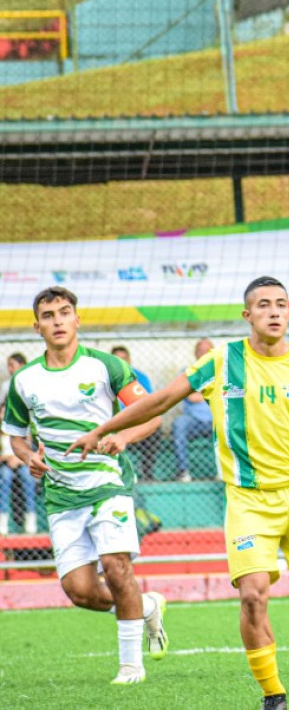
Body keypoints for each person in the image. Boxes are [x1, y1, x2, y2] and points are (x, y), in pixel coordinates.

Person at [68, 276, 289, 710]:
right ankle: (274, 695)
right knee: (252, 595)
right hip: (249, 500)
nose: (273, 311)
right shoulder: (220, 361)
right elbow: (160, 401)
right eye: (264, 304)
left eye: (281, 304)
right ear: (247, 315)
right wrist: (103, 429)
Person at [1, 286, 168, 685]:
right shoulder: (24, 380)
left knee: (116, 567)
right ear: (37, 326)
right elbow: (17, 437)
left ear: (78, 319)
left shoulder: (105, 367)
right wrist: (28, 458)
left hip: (108, 483)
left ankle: (131, 667)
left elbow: (152, 415)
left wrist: (123, 438)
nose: (57, 321)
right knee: (80, 592)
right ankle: (146, 606)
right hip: (60, 495)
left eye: (64, 312)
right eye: (48, 315)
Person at [111, 346, 161, 481]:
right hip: (112, 423)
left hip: (134, 422)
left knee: (155, 428)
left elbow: (147, 404)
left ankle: (147, 474)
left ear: (130, 360)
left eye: (124, 359)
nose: (121, 362)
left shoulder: (140, 377)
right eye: (117, 359)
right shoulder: (103, 378)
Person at [0, 352, 35, 535]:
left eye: (12, 364)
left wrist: (20, 458)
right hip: (5, 463)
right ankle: (3, 521)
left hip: (21, 460)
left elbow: (27, 443)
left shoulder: (22, 423)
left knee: (27, 477)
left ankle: (31, 520)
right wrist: (8, 458)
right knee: (5, 477)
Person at [171, 337, 214, 481]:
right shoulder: (187, 371)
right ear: (195, 354)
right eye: (200, 351)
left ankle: (225, 471)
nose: (203, 353)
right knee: (179, 424)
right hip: (193, 421)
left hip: (216, 419)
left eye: (207, 351)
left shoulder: (221, 370)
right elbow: (191, 397)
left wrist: (200, 392)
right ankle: (183, 471)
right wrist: (212, 392)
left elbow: (226, 394)